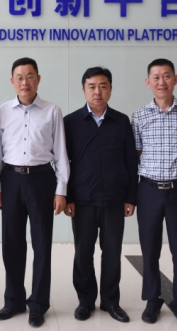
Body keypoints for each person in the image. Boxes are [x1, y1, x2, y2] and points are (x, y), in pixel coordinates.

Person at [0, 57, 69, 328]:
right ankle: (13, 300)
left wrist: (61, 190)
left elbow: (61, 153)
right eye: (19, 77)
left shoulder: (52, 111)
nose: (24, 82)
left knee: (42, 245)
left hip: (42, 180)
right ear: (12, 81)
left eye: (30, 76)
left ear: (38, 79)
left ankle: (38, 304)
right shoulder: (3, 111)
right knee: (12, 244)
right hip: (11, 180)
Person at [131, 58, 177, 330]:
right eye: (156, 77)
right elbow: (138, 153)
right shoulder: (139, 116)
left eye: (166, 76)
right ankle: (153, 300)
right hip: (149, 190)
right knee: (149, 250)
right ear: (148, 82)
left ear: (175, 79)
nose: (161, 82)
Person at [63, 67, 138, 323]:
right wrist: (68, 197)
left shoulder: (121, 121)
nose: (97, 91)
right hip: (83, 200)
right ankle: (85, 301)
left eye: (103, 86)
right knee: (83, 253)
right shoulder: (71, 122)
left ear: (110, 89)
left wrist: (131, 197)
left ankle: (110, 301)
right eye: (92, 86)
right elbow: (64, 163)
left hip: (114, 199)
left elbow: (131, 162)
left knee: (112, 252)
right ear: (84, 89)